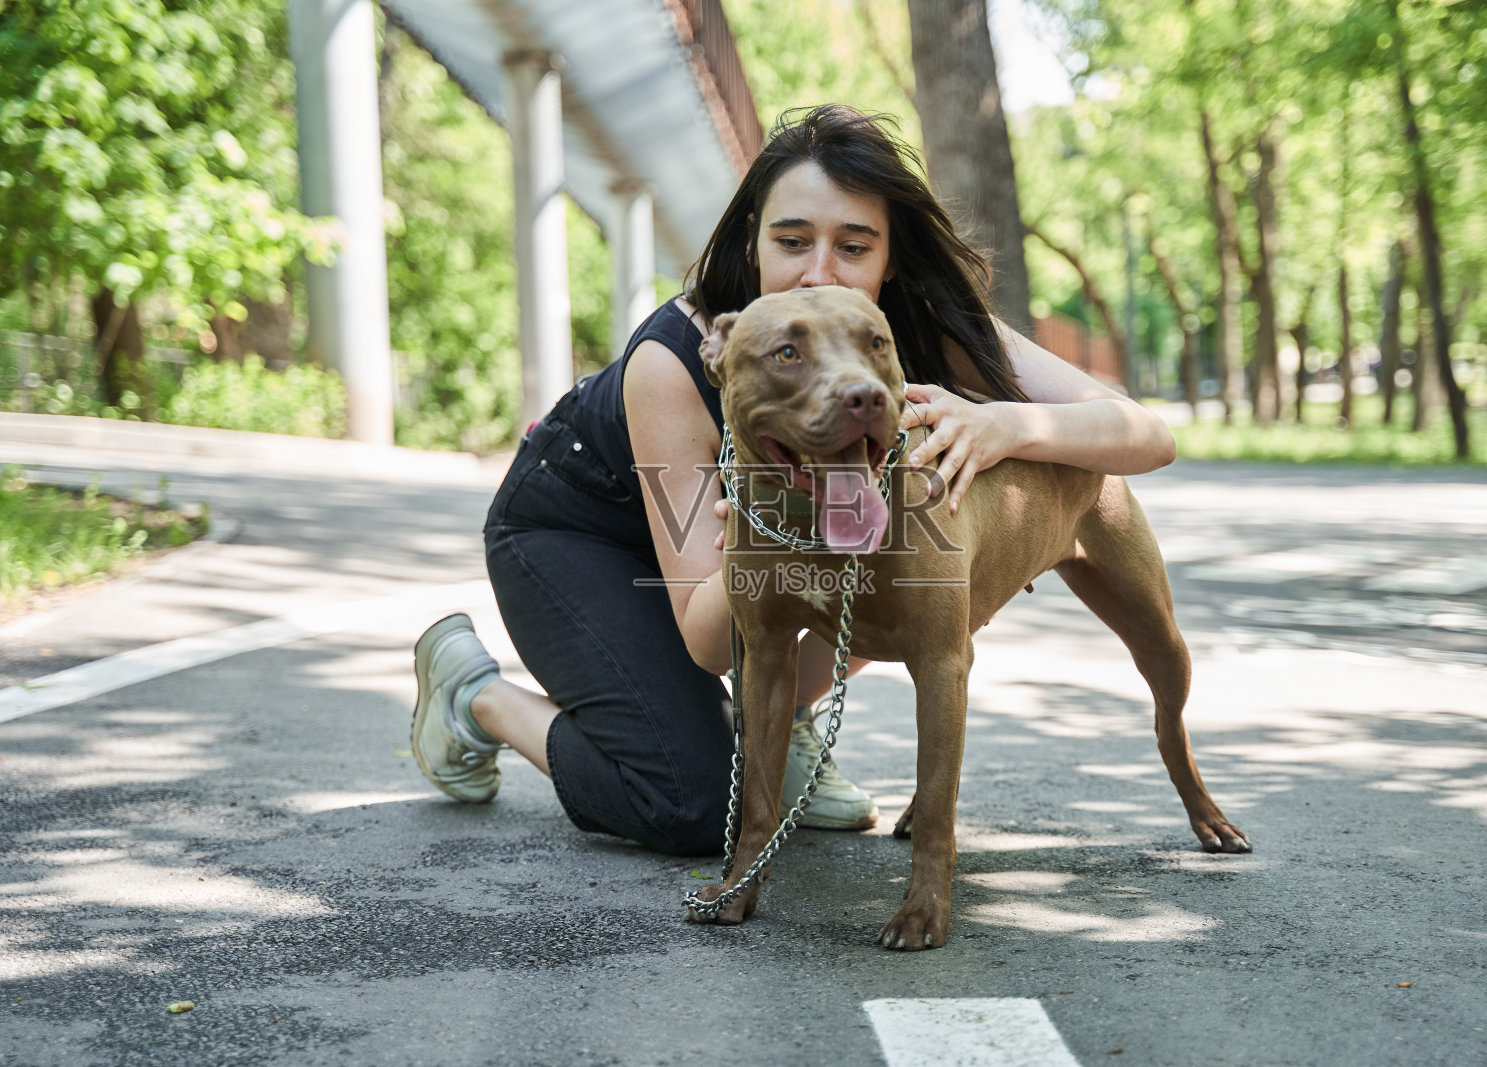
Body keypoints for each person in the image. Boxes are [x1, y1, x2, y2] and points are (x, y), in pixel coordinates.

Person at [408, 104, 1176, 856]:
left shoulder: (908, 326)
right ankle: (477, 696)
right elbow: (711, 639)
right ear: (754, 239)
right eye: (792, 239)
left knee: (896, 537)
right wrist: (766, 501)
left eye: (853, 246)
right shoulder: (678, 359)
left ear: (890, 258)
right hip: (581, 531)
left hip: (747, 543)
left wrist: (1010, 424)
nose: (818, 269)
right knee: (696, 803)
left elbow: (1146, 435)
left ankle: (786, 717)